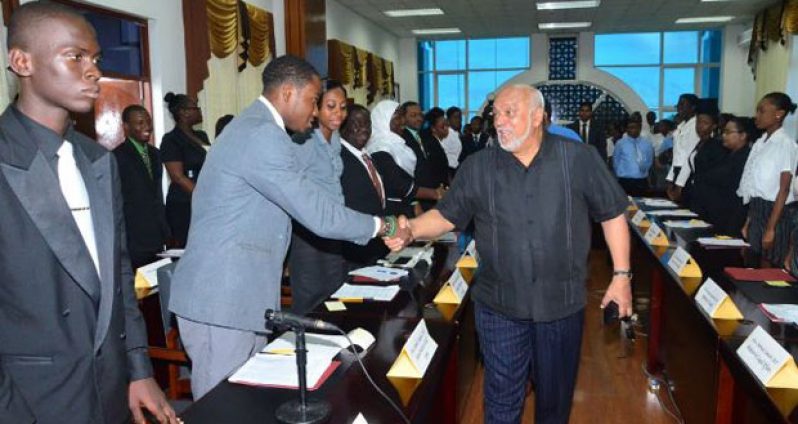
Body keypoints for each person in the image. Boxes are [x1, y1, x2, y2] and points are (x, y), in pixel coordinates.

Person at [385, 84, 632, 424]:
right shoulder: (478, 167)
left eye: (509, 113)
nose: (499, 121)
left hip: (560, 305)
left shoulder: (577, 159)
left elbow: (612, 213)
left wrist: (621, 277)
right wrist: (411, 228)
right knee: (501, 400)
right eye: (495, 114)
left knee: (554, 403)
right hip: (499, 305)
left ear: (538, 116)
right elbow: (445, 215)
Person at [168, 55, 406, 399]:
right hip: (221, 297)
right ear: (288, 93)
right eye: (312, 101)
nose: (315, 111)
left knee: (244, 403)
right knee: (222, 407)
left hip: (240, 295)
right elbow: (317, 212)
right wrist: (382, 226)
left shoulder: (260, 129)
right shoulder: (261, 135)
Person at [0, 2, 176, 423]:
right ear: (21, 61)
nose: (93, 70)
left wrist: (138, 367)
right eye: (74, 57)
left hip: (109, 385)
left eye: (95, 58)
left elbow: (117, 272)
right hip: (30, 399)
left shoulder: (98, 160)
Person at [287, 79, 350, 314]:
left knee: (335, 296)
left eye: (343, 107)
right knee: (310, 302)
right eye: (331, 106)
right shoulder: (302, 141)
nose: (339, 113)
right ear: (315, 108)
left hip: (333, 230)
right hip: (307, 235)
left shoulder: (335, 139)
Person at [738, 92, 798, 267]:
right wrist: (749, 221)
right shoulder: (760, 143)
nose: (757, 116)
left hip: (775, 213)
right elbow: (754, 185)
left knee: (769, 267)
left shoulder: (785, 145)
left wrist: (771, 228)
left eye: (761, 111)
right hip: (758, 209)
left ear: (779, 114)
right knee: (753, 263)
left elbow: (784, 189)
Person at [114, 105, 170, 269]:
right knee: (138, 289)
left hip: (156, 236)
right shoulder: (117, 157)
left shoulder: (155, 154)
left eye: (148, 121)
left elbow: (157, 195)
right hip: (133, 238)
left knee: (157, 287)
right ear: (126, 127)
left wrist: (165, 229)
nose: (147, 127)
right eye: (139, 122)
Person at [339, 104, 389, 267]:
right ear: (343, 126)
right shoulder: (338, 157)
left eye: (367, 124)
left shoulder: (367, 156)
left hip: (375, 242)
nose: (363, 129)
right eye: (356, 123)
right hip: (352, 247)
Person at [690, 115, 754, 236]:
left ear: (743, 136)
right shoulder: (729, 155)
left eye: (728, 132)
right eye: (723, 131)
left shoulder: (745, 158)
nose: (723, 135)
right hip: (717, 215)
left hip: (731, 219)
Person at [160, 92, 209, 247]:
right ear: (184, 112)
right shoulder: (171, 140)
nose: (200, 110)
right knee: (187, 248)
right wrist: (203, 197)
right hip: (184, 205)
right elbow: (178, 177)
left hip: (204, 201)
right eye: (196, 107)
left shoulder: (202, 135)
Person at [367, 100, 419, 217]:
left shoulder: (398, 144)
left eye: (403, 116)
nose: (403, 121)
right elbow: (398, 184)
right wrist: (435, 194)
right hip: (389, 214)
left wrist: (415, 202)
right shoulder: (379, 148)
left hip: (404, 209)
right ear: (383, 120)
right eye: (398, 117)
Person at [669, 101, 727, 206]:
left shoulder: (717, 146)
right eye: (698, 122)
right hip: (695, 192)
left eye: (705, 123)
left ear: (714, 126)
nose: (700, 126)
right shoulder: (700, 143)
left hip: (708, 196)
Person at [417, 107, 451, 211]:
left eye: (447, 126)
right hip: (434, 192)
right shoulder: (431, 144)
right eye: (442, 126)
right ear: (433, 128)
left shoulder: (435, 142)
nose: (447, 129)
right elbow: (433, 170)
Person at [613, 119, 654, 196]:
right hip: (625, 181)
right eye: (628, 127)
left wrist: (644, 170)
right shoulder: (620, 143)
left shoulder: (647, 144)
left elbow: (649, 160)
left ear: (639, 128)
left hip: (641, 181)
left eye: (633, 127)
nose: (630, 130)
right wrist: (620, 173)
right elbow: (616, 161)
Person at [666, 94, 700, 185]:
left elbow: (690, 156)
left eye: (682, 105)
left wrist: (680, 183)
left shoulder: (696, 126)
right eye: (678, 105)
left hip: (689, 173)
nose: (679, 108)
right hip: (678, 170)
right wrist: (670, 177)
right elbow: (677, 155)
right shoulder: (681, 126)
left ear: (693, 107)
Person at [441, 106, 464, 175]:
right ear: (448, 120)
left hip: (456, 169)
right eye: (455, 117)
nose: (458, 120)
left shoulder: (456, 134)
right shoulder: (446, 134)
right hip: (449, 170)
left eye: (460, 118)